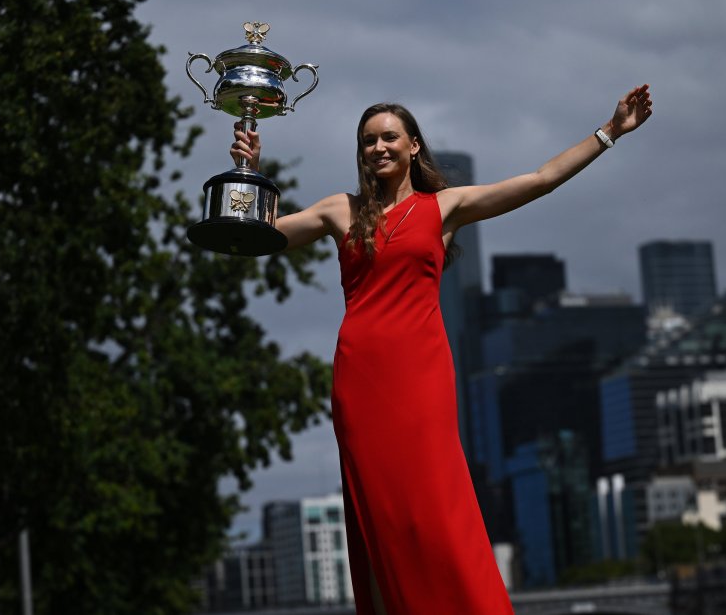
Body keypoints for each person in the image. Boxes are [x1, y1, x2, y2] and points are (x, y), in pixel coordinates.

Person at [231, 85, 653, 613]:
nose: (378, 148)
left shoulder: (443, 208)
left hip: (422, 375)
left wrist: (610, 131)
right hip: (360, 379)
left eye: (389, 137)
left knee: (434, 507)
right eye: (368, 141)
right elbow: (259, 238)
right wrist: (251, 172)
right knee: (380, 516)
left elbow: (540, 181)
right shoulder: (341, 210)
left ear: (413, 147)